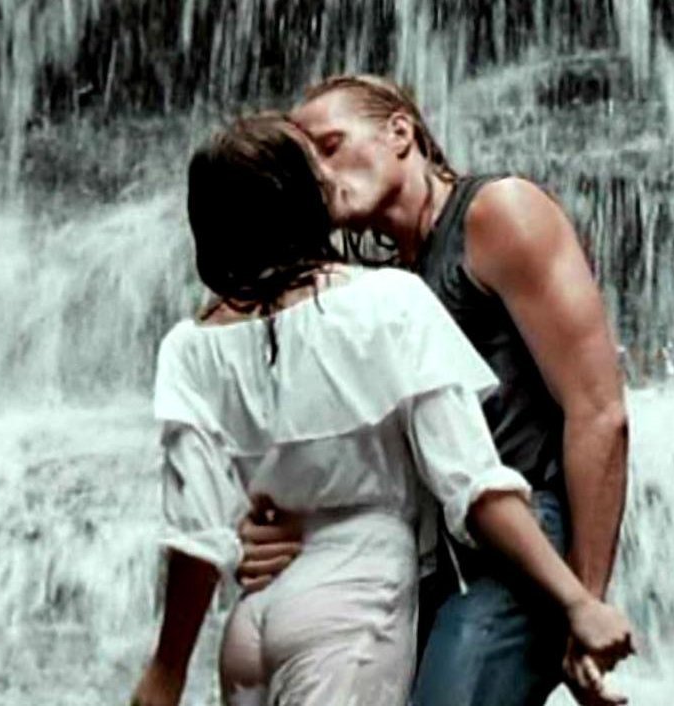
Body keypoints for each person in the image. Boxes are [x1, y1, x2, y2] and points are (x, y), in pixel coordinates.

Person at [130, 115, 633, 706]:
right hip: (354, 612)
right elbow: (473, 486)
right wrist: (578, 602)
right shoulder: (388, 301)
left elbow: (196, 533)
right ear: (307, 196)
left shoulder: (188, 345)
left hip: (253, 623)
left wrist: (166, 670)